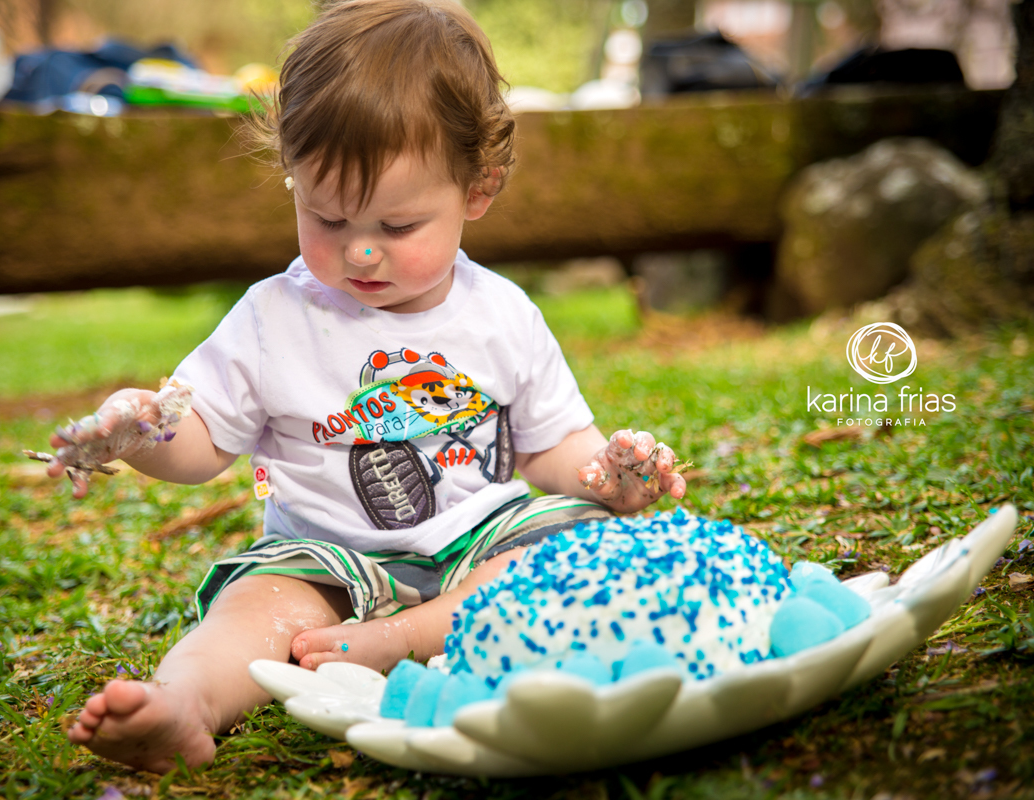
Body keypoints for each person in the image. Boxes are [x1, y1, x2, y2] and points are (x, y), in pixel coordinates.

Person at [60, 0, 687, 774]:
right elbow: (201, 445)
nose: (360, 253)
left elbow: (555, 446)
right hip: (321, 563)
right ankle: (181, 703)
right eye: (325, 217)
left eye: (398, 227)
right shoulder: (272, 317)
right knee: (249, 614)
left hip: (478, 551)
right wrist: (140, 430)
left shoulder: (501, 314)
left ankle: (402, 641)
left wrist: (610, 478)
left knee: (588, 540)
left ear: (477, 191)